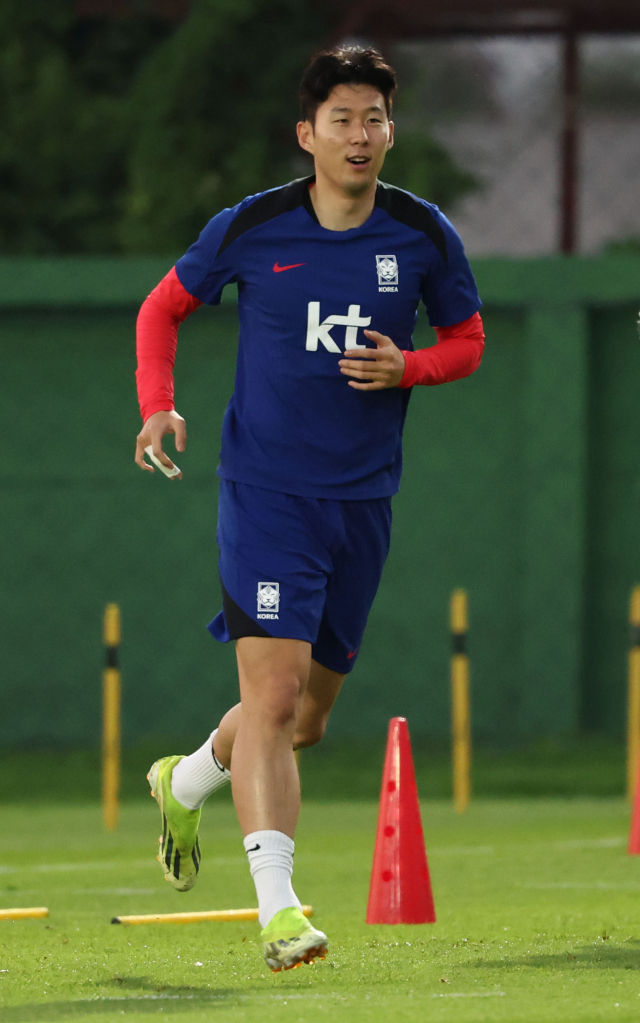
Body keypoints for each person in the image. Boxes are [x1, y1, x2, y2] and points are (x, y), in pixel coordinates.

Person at [134, 45, 485, 972]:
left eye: (374, 118)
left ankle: (186, 779)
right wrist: (157, 403)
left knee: (304, 721)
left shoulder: (423, 233)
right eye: (342, 120)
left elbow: (468, 340)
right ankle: (279, 911)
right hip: (266, 495)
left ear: (390, 132)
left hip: (362, 502)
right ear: (307, 134)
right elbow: (161, 310)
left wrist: (409, 366)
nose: (359, 134)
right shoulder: (253, 226)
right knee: (273, 695)